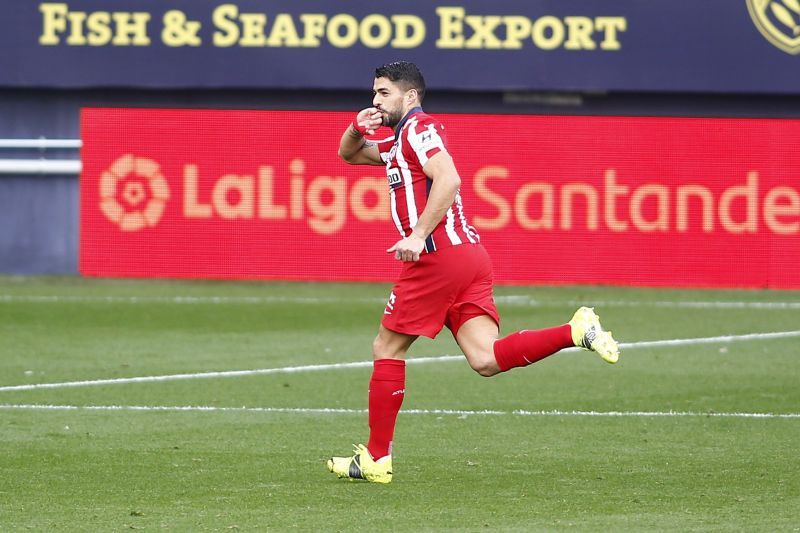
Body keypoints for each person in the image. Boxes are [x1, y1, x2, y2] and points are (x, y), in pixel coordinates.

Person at [327, 61, 619, 484]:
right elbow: (348, 155)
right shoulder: (397, 141)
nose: (375, 100)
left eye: (384, 93)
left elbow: (449, 178)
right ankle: (575, 330)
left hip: (436, 258)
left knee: (387, 348)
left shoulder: (418, 129)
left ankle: (375, 459)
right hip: (468, 256)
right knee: (485, 359)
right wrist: (357, 127)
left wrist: (417, 234)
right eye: (374, 92)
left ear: (410, 96)